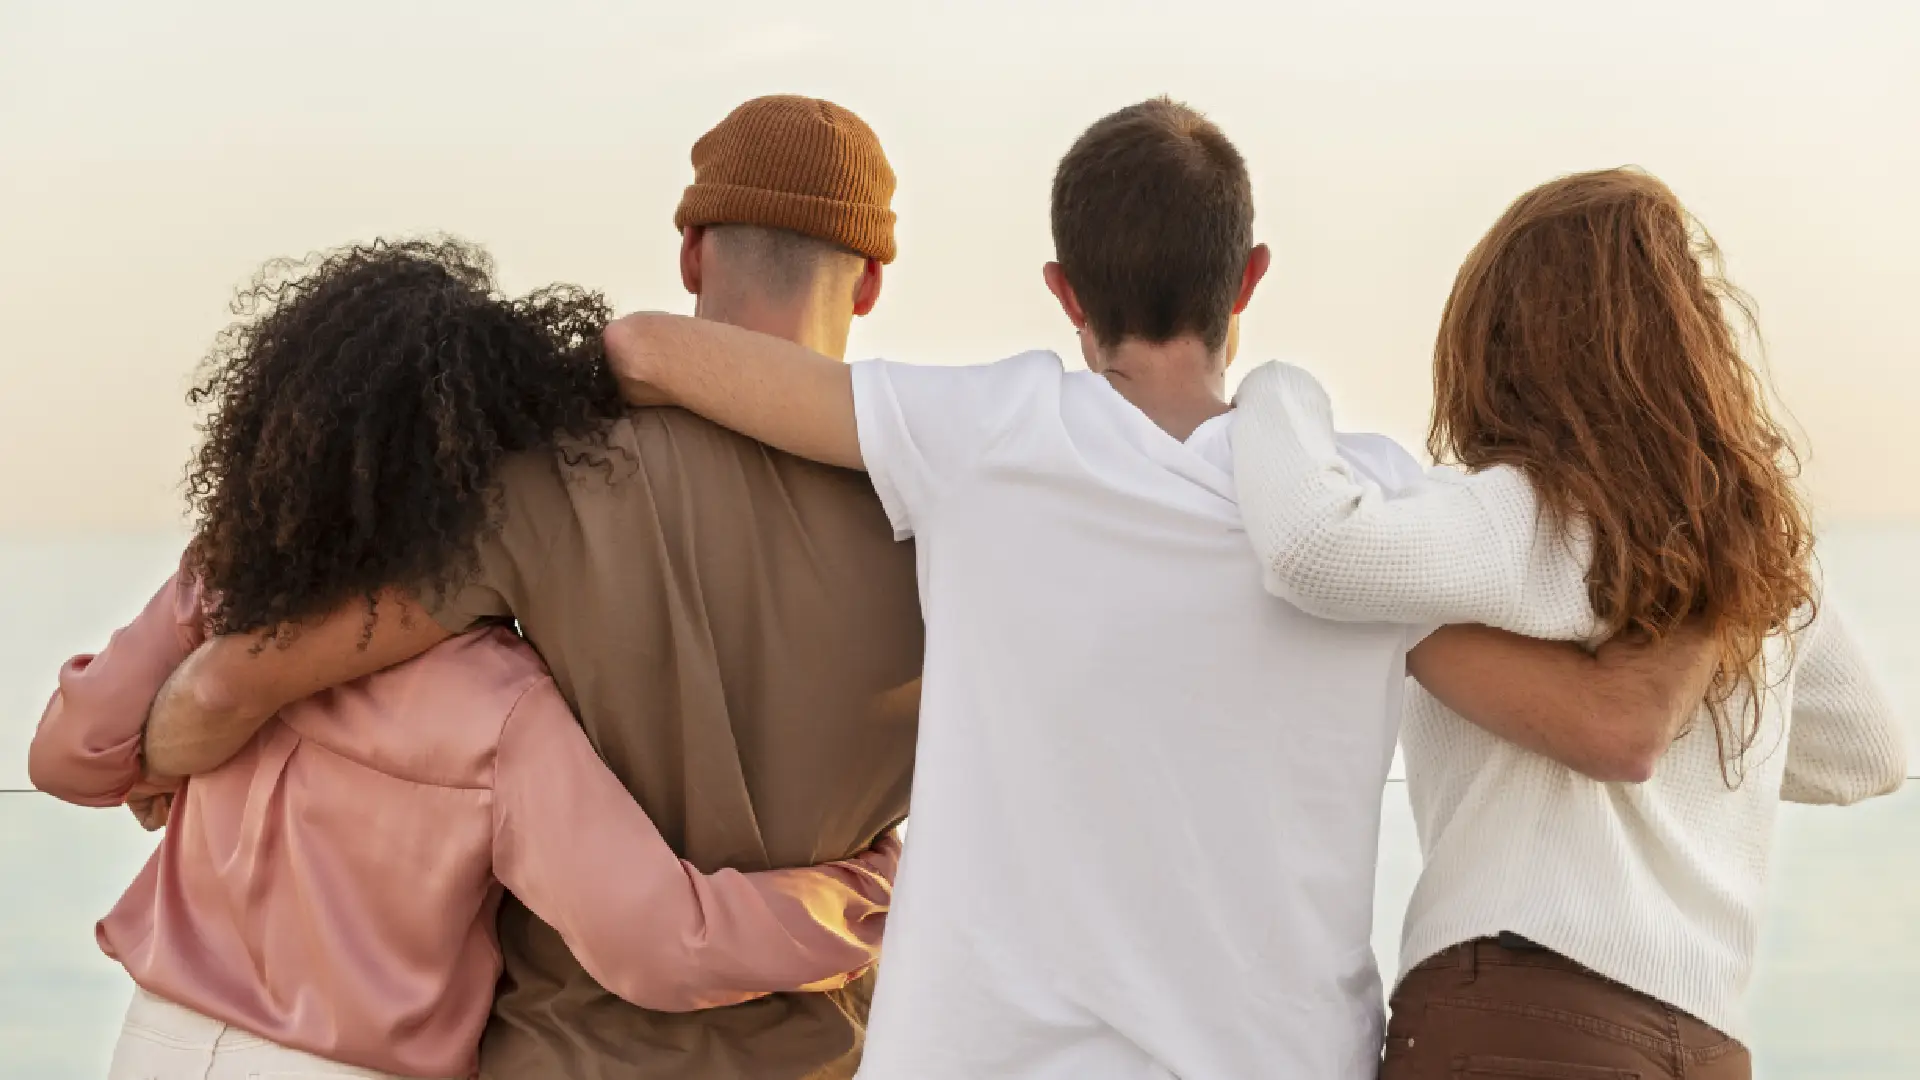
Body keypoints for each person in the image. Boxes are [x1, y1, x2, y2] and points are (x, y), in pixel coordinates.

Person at [592, 100, 1720, 1080]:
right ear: (1249, 279)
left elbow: (646, 350)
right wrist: (1738, 566)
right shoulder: (1368, 506)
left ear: (1062, 289)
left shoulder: (987, 434)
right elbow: (1608, 724)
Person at [135, 96, 923, 1079]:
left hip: (559, 1055)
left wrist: (153, 754)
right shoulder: (940, 527)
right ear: (870, 286)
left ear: (692, 254)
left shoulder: (550, 480)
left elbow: (247, 678)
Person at [1227, 168, 1906, 1079]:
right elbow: (1870, 752)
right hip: (1706, 1041)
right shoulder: (1750, 559)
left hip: (1525, 1008)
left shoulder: (1525, 514)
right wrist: (1718, 631)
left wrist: (1274, 392)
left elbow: (1313, 546)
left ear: (1503, 342)